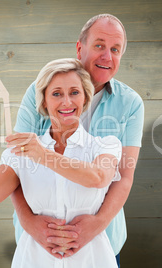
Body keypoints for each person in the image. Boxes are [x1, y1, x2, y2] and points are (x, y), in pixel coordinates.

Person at [0, 58, 121, 267]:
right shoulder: (20, 153)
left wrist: (42, 155)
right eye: (56, 94)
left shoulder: (106, 145)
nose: (66, 102)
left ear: (85, 98)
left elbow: (98, 178)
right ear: (44, 101)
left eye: (74, 92)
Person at [10, 14, 144, 266]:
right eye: (99, 45)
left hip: (102, 238)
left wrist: (98, 224)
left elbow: (124, 176)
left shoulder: (131, 103)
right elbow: (16, 165)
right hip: (39, 239)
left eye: (115, 49)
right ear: (80, 47)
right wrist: (29, 223)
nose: (107, 56)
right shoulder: (38, 91)